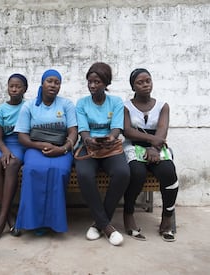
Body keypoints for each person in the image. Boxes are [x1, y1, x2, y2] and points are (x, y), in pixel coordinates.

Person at [14, 69, 78, 235]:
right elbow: (22, 136)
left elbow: (73, 132)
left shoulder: (66, 105)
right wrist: (40, 145)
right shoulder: (29, 105)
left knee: (60, 171)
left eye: (57, 82)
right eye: (50, 81)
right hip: (35, 148)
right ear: (42, 83)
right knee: (32, 170)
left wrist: (63, 148)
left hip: (61, 148)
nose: (53, 85)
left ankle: (53, 222)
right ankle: (35, 222)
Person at [75, 62, 130, 246]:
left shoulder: (115, 102)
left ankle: (99, 223)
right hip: (89, 147)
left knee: (122, 173)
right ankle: (107, 226)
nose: (92, 85)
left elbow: (116, 128)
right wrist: (89, 139)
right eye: (89, 81)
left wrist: (109, 138)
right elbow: (83, 130)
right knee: (83, 174)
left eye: (97, 81)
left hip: (110, 147)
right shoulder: (82, 103)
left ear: (106, 83)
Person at [123, 68, 178, 242]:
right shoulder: (126, 106)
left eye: (148, 81)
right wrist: (150, 143)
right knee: (136, 174)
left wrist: (154, 148)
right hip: (134, 146)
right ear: (133, 86)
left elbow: (162, 130)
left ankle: (167, 219)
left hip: (157, 147)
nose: (145, 85)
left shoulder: (163, 106)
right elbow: (128, 132)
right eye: (140, 82)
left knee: (169, 173)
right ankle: (129, 215)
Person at [0, 73, 28, 241]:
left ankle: (0, 221)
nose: (14, 89)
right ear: (8, 88)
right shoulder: (1, 110)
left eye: (18, 86)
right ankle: (9, 216)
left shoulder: (28, 106)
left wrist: (10, 153)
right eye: (11, 86)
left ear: (24, 89)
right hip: (4, 145)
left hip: (21, 144)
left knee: (12, 164)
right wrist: (4, 150)